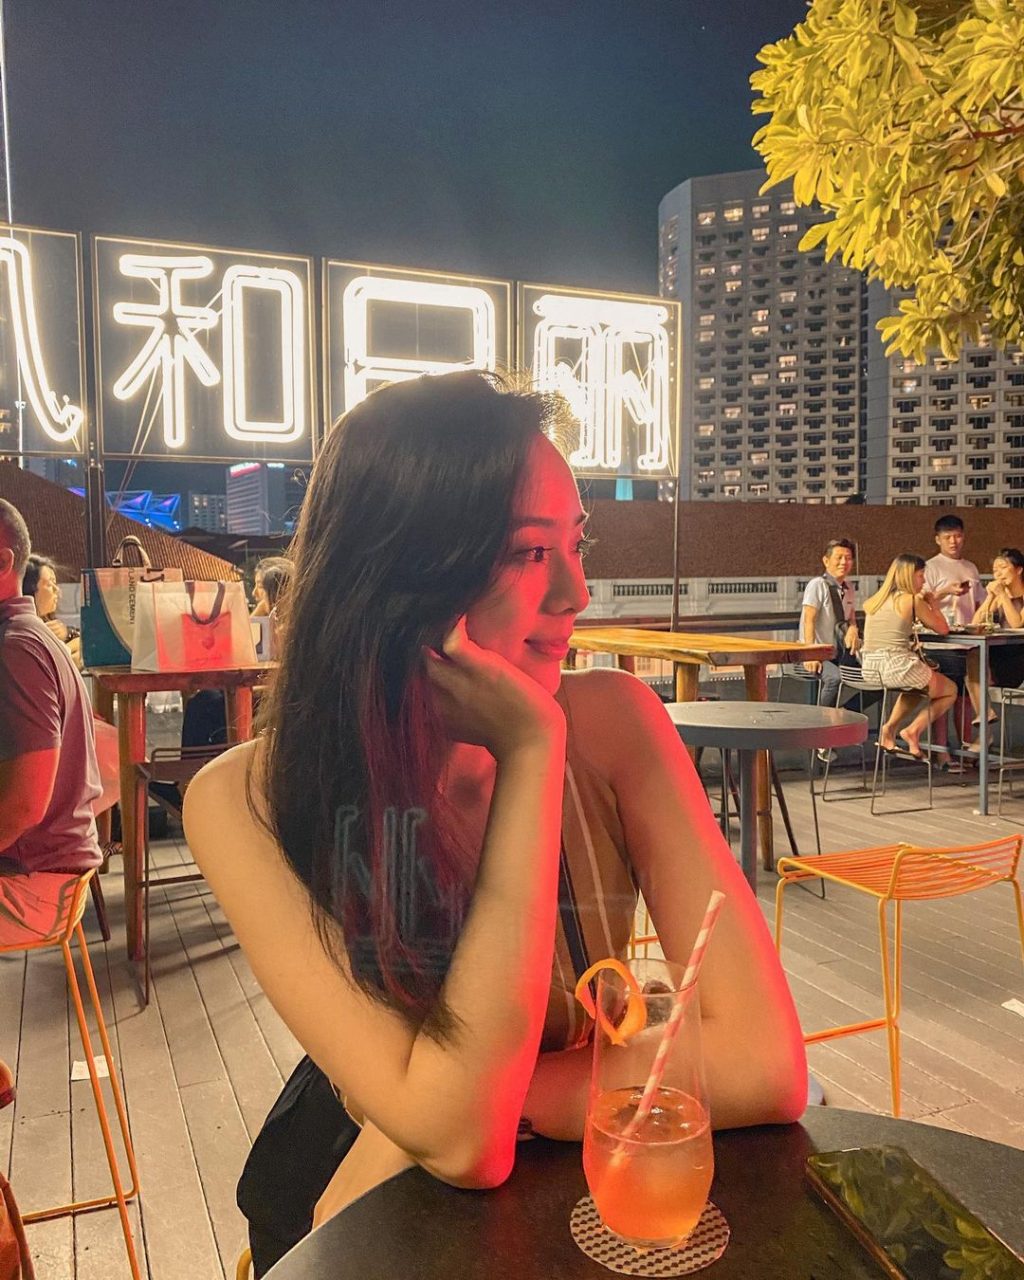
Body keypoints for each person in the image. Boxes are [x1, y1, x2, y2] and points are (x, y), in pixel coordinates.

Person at [182, 372, 807, 1275]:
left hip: (507, 1157)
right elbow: (463, 1150)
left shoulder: (617, 726)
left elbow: (767, 1064)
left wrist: (469, 1105)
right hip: (359, 1195)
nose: (577, 593)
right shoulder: (244, 800)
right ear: (399, 573)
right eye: (528, 552)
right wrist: (530, 751)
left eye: (576, 545)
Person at [0, 501, 103, 945]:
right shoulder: (32, 636)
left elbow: (25, 805)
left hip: (37, 884)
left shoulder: (15, 649)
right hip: (51, 871)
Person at [861, 553, 957, 759]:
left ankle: (889, 729)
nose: (924, 581)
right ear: (908, 576)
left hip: (870, 667)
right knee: (950, 690)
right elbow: (943, 629)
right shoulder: (912, 600)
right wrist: (933, 604)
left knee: (917, 686)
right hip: (896, 665)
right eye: (921, 575)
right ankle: (913, 730)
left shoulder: (875, 601)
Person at [924, 514, 983, 756]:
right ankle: (941, 752)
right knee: (943, 697)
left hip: (968, 641)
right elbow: (921, 602)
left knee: (965, 698)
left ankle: (965, 749)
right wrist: (946, 591)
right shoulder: (930, 567)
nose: (953, 541)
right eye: (948, 537)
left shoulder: (971, 567)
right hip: (942, 642)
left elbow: (980, 603)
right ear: (937, 539)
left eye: (957, 536)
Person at [964, 548, 1024, 750]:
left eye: (1003, 567)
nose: (998, 573)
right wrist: (990, 597)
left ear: (1019, 570)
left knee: (975, 668)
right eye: (995, 569)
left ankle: (984, 733)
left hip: (1017, 658)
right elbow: (975, 623)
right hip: (997, 654)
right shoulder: (998, 596)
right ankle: (985, 718)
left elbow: (1016, 624)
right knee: (972, 657)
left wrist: (1003, 596)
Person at [799, 538, 860, 701]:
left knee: (875, 680)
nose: (844, 562)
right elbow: (808, 620)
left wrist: (853, 629)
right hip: (814, 652)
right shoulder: (817, 585)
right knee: (834, 679)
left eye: (848, 558)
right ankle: (822, 717)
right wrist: (811, 654)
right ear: (826, 561)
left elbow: (851, 617)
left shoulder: (849, 587)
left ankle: (846, 711)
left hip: (838, 652)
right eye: (839, 558)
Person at [22, 554, 81, 663]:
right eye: (50, 584)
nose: (57, 590)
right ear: (30, 588)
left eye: (55, 583)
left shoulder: (51, 624)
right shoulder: (24, 632)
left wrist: (67, 633)